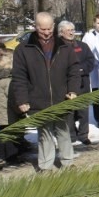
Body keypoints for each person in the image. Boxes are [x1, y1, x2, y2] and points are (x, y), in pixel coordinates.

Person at [11, 12, 80, 172]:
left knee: (64, 132)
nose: (47, 32)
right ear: (35, 27)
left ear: (54, 26)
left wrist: (73, 90)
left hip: (62, 97)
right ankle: (45, 165)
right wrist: (22, 100)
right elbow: (19, 76)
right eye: (42, 29)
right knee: (45, 134)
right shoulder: (24, 49)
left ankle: (67, 162)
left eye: (49, 28)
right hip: (38, 99)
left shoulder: (64, 47)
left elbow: (74, 70)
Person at [58, 21, 95, 145]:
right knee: (69, 112)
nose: (71, 32)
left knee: (83, 111)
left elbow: (91, 61)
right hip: (66, 84)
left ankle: (84, 135)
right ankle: (71, 135)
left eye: (72, 29)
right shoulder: (57, 47)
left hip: (83, 83)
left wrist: (81, 68)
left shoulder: (82, 46)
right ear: (61, 32)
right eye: (68, 30)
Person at [82, 14, 99, 128]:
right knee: (96, 94)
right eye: (98, 23)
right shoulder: (88, 36)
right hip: (94, 68)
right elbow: (85, 52)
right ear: (94, 24)